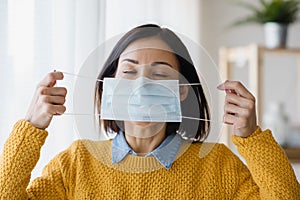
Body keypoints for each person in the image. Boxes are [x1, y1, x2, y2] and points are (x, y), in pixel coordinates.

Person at [0, 24, 299, 199]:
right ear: (108, 87)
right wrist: (31, 128)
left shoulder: (219, 167)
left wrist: (252, 137)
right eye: (129, 72)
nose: (141, 85)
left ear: (182, 91)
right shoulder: (76, 164)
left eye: (159, 74)